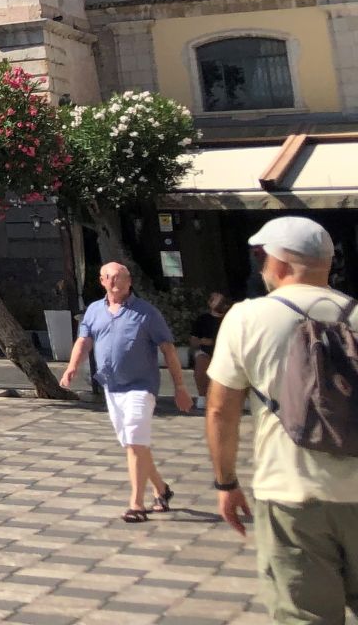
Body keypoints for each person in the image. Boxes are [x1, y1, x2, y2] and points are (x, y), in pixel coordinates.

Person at [205, 215, 358, 622]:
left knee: (303, 615)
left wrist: (226, 482)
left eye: (260, 256)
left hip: (291, 493)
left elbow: (221, 409)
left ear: (279, 262)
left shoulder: (247, 317)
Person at [59, 261, 193, 522]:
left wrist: (180, 387)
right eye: (109, 277)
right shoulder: (94, 311)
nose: (114, 281)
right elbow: (84, 341)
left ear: (129, 281)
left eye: (119, 277)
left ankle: (136, 504)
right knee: (135, 444)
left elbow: (168, 350)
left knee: (134, 440)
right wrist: (72, 367)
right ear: (101, 281)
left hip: (141, 387)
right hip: (112, 388)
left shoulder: (146, 313)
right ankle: (162, 489)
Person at [189, 291, 229, 410]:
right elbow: (193, 341)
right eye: (216, 300)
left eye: (222, 300)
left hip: (226, 353)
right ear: (210, 303)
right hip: (206, 352)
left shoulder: (230, 319)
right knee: (201, 360)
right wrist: (203, 341)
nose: (220, 303)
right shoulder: (202, 319)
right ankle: (203, 396)